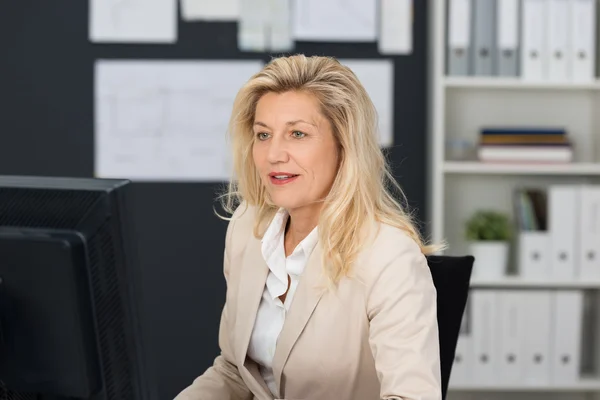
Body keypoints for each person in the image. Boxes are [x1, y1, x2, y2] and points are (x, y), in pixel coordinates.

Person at [174, 54, 444, 400]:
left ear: (344, 146)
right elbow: (235, 372)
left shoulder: (389, 256)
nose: (274, 154)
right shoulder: (247, 227)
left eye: (297, 134)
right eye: (263, 134)